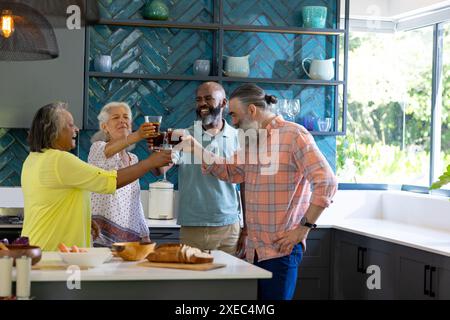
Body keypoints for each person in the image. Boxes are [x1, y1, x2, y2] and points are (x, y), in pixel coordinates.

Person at [178, 84, 338, 300]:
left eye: (234, 115)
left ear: (252, 110)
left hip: (281, 249)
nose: (232, 122)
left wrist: (303, 229)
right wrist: (196, 148)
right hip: (255, 251)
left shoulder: (294, 135)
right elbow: (230, 171)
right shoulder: (251, 141)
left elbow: (326, 182)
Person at [21, 102, 172, 251]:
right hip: (55, 253)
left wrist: (85, 219)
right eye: (70, 125)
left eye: (126, 117)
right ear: (54, 130)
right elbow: (109, 181)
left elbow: (61, 200)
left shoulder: (33, 159)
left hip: (40, 248)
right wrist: (149, 162)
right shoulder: (60, 160)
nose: (76, 129)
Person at [152, 82, 244, 255]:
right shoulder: (183, 136)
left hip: (229, 227)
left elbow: (245, 182)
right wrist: (156, 154)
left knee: (227, 281)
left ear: (224, 103)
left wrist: (246, 228)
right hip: (192, 226)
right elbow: (160, 171)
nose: (202, 103)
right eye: (198, 99)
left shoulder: (238, 136)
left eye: (208, 98)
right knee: (194, 281)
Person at [88, 102, 152, 247]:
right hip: (102, 237)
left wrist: (145, 234)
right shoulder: (98, 149)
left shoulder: (133, 158)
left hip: (130, 239)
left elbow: (135, 201)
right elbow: (109, 150)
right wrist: (138, 135)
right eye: (116, 117)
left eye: (126, 117)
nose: (122, 121)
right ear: (105, 127)